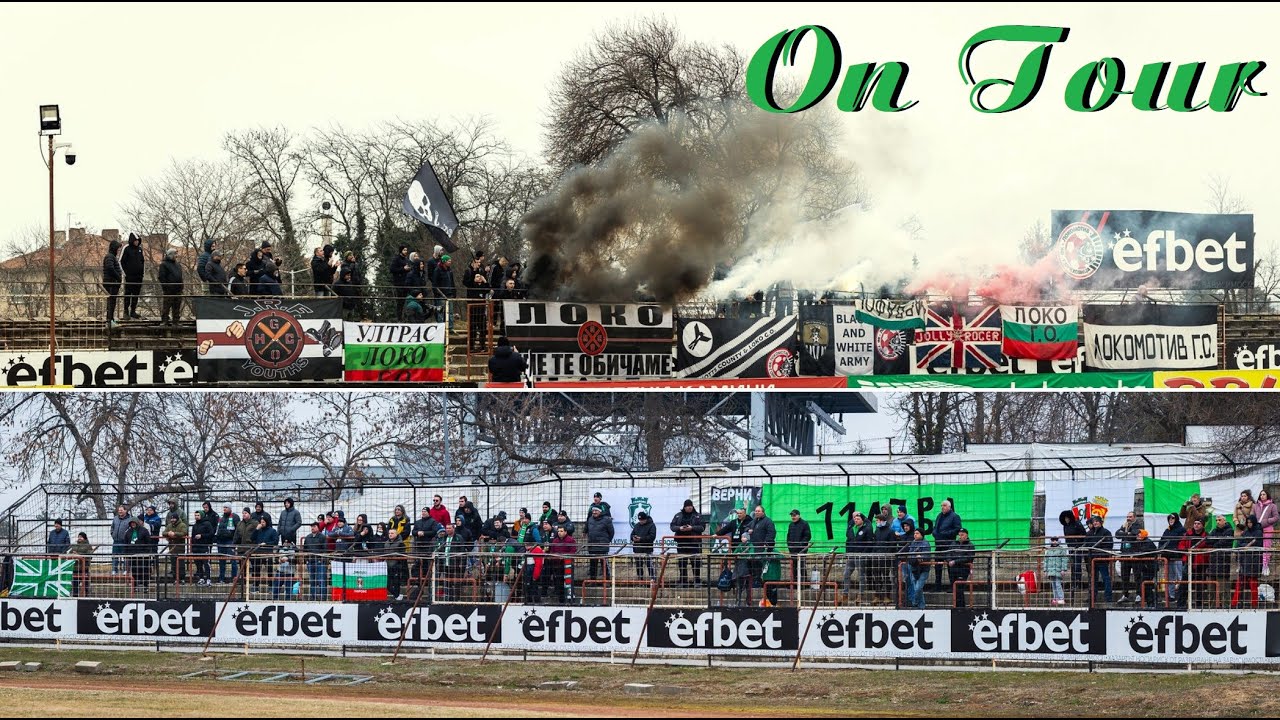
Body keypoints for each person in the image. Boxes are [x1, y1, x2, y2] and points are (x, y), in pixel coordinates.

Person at [671, 500, 706, 587]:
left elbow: (702, 527)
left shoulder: (698, 516)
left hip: (694, 543)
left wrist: (692, 528)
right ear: (684, 507)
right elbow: (672, 526)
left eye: (691, 506)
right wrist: (680, 528)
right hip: (681, 543)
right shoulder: (678, 515)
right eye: (687, 506)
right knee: (682, 562)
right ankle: (683, 581)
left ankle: (697, 581)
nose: (689, 507)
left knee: (696, 562)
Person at [1234, 515, 1264, 608]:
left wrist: (1246, 545)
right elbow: (1239, 544)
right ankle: (1234, 604)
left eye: (1250, 522)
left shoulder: (1258, 532)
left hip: (1253, 562)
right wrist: (1247, 545)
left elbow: (1257, 543)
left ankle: (1254, 605)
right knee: (1239, 585)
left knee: (1253, 585)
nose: (1249, 524)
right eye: (1248, 522)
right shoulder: (1245, 532)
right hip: (1244, 561)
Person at [1115, 511, 1144, 603]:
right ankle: (1125, 594)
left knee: (1137, 576)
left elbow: (1135, 534)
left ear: (1134, 517)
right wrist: (1127, 533)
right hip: (1124, 555)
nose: (1128, 518)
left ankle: (1139, 594)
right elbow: (1117, 534)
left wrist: (1126, 533)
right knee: (1124, 576)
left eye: (1130, 517)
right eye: (1127, 516)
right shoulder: (1124, 525)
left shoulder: (1138, 525)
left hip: (1134, 554)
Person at [843, 511, 873, 601]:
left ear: (862, 520)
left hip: (860, 555)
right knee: (846, 574)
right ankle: (845, 593)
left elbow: (869, 543)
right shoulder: (851, 528)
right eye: (855, 519)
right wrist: (847, 553)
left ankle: (861, 594)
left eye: (858, 519)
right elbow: (848, 541)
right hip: (851, 555)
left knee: (861, 575)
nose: (856, 520)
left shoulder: (866, 529)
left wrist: (863, 553)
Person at [932, 499, 961, 591]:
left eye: (944, 505)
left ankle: (952, 586)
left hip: (949, 545)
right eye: (941, 505)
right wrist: (934, 533)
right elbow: (935, 527)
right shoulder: (939, 516)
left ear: (949, 507)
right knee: (937, 566)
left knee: (950, 566)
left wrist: (945, 533)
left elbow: (957, 529)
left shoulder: (955, 516)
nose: (942, 507)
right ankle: (937, 586)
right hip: (939, 545)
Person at [1159, 513, 1187, 607]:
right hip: (1168, 556)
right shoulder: (1167, 530)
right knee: (1169, 577)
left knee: (1180, 577)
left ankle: (1181, 595)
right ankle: (1171, 595)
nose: (1171, 520)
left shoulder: (1181, 529)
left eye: (1173, 518)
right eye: (1169, 518)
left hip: (1177, 557)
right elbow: (1161, 541)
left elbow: (1182, 542)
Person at [1085, 515, 1114, 605]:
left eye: (1097, 521)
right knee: (1093, 579)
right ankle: (1093, 597)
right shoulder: (1089, 533)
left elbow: (1109, 545)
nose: (1095, 523)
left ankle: (1108, 597)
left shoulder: (1106, 532)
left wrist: (1100, 552)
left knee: (1106, 578)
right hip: (1092, 559)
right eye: (1094, 522)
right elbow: (1086, 544)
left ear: (1101, 522)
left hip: (1102, 559)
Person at [1058, 510, 1088, 593]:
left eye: (1067, 518)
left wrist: (1079, 544)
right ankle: (1073, 584)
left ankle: (1078, 583)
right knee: (1073, 566)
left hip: (1078, 548)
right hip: (1071, 548)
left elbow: (1084, 534)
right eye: (1065, 518)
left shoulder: (1077, 523)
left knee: (1077, 565)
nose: (1066, 520)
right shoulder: (1065, 526)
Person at [584, 506, 614, 580]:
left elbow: (611, 532)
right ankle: (592, 581)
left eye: (596, 511)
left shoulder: (607, 520)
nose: (594, 512)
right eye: (593, 510)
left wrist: (606, 542)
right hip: (592, 546)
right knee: (592, 566)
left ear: (600, 511)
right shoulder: (590, 519)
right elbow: (586, 530)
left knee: (604, 565)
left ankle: (606, 581)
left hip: (602, 547)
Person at [947, 528, 975, 607]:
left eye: (962, 534)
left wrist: (955, 561)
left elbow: (969, 558)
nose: (960, 536)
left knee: (959, 588)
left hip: (963, 569)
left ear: (967, 535)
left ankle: (961, 607)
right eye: (959, 535)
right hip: (953, 569)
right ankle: (957, 606)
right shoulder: (953, 543)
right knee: (955, 589)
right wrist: (949, 560)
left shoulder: (970, 545)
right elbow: (948, 553)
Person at [121, 231, 146, 319]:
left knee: (136, 295)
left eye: (138, 240)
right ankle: (125, 312)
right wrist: (125, 274)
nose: (137, 242)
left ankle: (133, 311)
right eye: (135, 240)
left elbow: (143, 262)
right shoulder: (126, 248)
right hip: (129, 277)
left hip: (138, 277)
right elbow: (121, 261)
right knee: (128, 294)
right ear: (132, 240)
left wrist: (142, 274)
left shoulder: (140, 249)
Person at [905, 528, 931, 609]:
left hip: (923, 569)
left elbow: (926, 556)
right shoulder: (913, 542)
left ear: (922, 535)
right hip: (914, 568)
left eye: (917, 533)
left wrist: (920, 558)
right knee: (918, 589)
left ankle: (914, 603)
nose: (915, 535)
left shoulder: (926, 544)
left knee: (917, 588)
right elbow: (910, 554)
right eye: (914, 533)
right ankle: (921, 606)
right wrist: (916, 557)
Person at [302, 522, 329, 601]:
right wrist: (306, 560)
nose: (312, 528)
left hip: (319, 561)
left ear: (318, 527)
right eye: (311, 527)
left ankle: (323, 597)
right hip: (310, 561)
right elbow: (305, 549)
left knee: (322, 581)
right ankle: (313, 597)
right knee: (312, 581)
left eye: (314, 526)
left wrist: (321, 559)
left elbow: (325, 549)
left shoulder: (322, 537)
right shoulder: (308, 537)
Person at [158, 248, 184, 325]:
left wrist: (181, 286)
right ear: (170, 255)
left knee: (177, 307)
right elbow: (162, 277)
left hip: (178, 289)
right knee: (166, 306)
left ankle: (176, 321)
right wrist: (166, 287)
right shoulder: (164, 264)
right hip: (169, 290)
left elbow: (180, 276)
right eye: (175, 254)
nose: (176, 256)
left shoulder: (178, 264)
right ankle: (164, 321)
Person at [214, 505, 239, 584]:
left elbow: (237, 529)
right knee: (221, 561)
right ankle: (221, 578)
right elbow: (218, 529)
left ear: (230, 509)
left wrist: (235, 540)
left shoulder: (235, 517)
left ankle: (234, 579)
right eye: (224, 507)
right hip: (221, 541)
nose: (224, 509)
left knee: (233, 561)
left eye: (226, 507)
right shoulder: (221, 518)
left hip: (230, 541)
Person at [786, 509, 812, 585]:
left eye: (794, 515)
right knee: (794, 566)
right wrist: (789, 546)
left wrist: (800, 545)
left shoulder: (804, 524)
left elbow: (807, 536)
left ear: (798, 515)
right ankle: (794, 583)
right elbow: (788, 536)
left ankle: (803, 583)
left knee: (801, 566)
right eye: (792, 516)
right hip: (793, 550)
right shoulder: (791, 525)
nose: (793, 517)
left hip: (801, 550)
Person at [190, 510, 215, 586]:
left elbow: (211, 534)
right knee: (198, 564)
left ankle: (208, 579)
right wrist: (193, 546)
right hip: (196, 547)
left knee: (206, 563)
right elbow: (192, 536)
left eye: (198, 515)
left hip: (204, 546)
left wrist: (202, 536)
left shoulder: (207, 524)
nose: (196, 517)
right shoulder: (195, 525)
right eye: (195, 515)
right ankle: (201, 578)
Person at [102, 237, 123, 326]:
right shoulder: (110, 257)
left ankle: (111, 319)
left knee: (112, 301)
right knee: (111, 302)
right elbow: (110, 268)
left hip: (113, 282)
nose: (118, 250)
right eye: (117, 248)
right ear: (114, 248)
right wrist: (118, 277)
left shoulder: (111, 257)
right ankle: (109, 320)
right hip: (111, 282)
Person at [1257, 489, 1278, 576]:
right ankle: (1259, 565)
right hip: (1258, 529)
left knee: (1266, 547)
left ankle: (1265, 566)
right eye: (1261, 494)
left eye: (1264, 494)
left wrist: (1267, 521)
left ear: (1267, 495)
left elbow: (1276, 517)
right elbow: (1253, 516)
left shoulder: (1272, 506)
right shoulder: (1256, 506)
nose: (1262, 496)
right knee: (1258, 547)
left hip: (1268, 528)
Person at [163, 513, 189, 584]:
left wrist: (174, 534)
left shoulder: (182, 525)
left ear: (177, 518)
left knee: (181, 564)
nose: (172, 520)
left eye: (174, 518)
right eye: (171, 518)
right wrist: (168, 533)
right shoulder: (169, 525)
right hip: (172, 548)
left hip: (180, 547)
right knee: (173, 564)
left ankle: (182, 578)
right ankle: (175, 578)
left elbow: (184, 533)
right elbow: (163, 533)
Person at [631, 511, 656, 580]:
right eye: (639, 520)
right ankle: (640, 580)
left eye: (642, 520)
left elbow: (652, 537)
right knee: (639, 566)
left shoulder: (651, 525)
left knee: (650, 565)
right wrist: (633, 537)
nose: (641, 521)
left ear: (646, 519)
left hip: (647, 549)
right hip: (638, 549)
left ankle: (653, 580)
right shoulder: (637, 525)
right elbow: (632, 534)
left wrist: (641, 539)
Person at [69, 532, 95, 597]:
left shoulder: (88, 546)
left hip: (84, 568)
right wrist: (72, 555)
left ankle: (87, 597)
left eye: (81, 537)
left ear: (84, 538)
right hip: (75, 568)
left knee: (86, 585)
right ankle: (75, 597)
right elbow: (69, 553)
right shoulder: (74, 545)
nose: (79, 538)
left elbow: (89, 556)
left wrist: (78, 555)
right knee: (75, 585)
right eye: (79, 537)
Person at [1045, 537, 1068, 606]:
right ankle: (1056, 598)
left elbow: (1064, 560)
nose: (1054, 542)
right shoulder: (1048, 550)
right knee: (1053, 585)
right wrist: (1045, 570)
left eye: (1056, 540)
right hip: (1051, 570)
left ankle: (1061, 598)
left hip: (1058, 570)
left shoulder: (1061, 550)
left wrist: (1063, 569)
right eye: (1053, 540)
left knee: (1058, 584)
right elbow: (1046, 560)